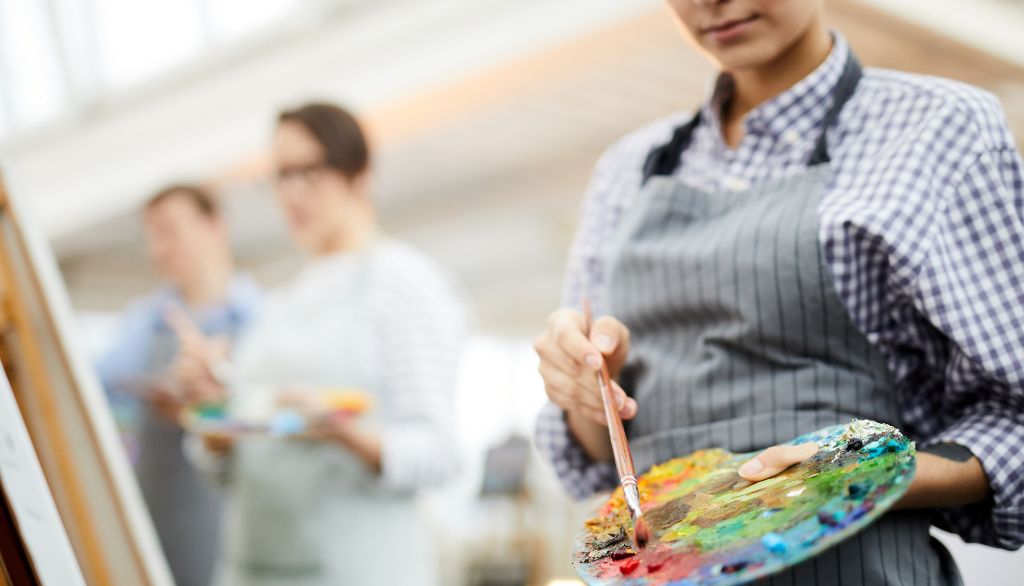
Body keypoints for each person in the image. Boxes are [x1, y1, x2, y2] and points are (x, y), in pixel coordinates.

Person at [534, 1, 1024, 583]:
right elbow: (599, 452)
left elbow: (1013, 416)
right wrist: (585, 387)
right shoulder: (627, 170)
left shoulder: (939, 130)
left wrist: (857, 474)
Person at [177, 102, 468, 586]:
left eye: (309, 171)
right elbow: (236, 473)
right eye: (280, 176)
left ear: (359, 174)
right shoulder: (282, 299)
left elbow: (440, 454)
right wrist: (214, 417)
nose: (291, 193)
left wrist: (341, 431)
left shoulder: (407, 284)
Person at [96, 185, 262, 586]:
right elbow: (85, 390)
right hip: (155, 529)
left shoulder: (263, 320)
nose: (157, 249)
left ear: (214, 226)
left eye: (168, 231)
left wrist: (213, 396)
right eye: (150, 236)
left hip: (240, 529)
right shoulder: (142, 324)